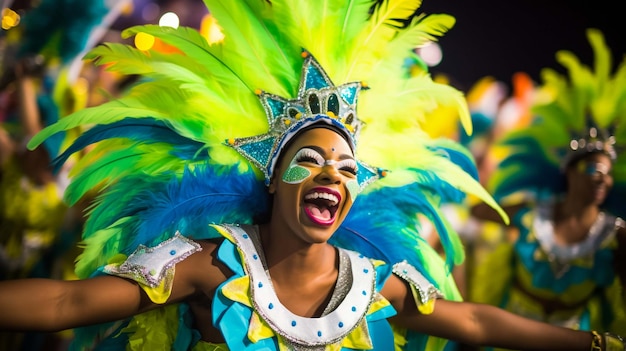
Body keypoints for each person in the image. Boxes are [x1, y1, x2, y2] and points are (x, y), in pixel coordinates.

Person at [0, 1, 624, 350]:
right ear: (274, 178)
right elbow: (65, 300)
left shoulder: (374, 285)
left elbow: (479, 321)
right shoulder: (207, 266)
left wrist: (595, 346)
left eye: (348, 168)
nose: (333, 175)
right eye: (311, 160)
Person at [470, 28, 626, 341]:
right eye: (594, 169)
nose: (602, 179)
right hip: (506, 338)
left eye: (608, 173)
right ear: (570, 173)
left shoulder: (616, 236)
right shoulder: (532, 214)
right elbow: (478, 211)